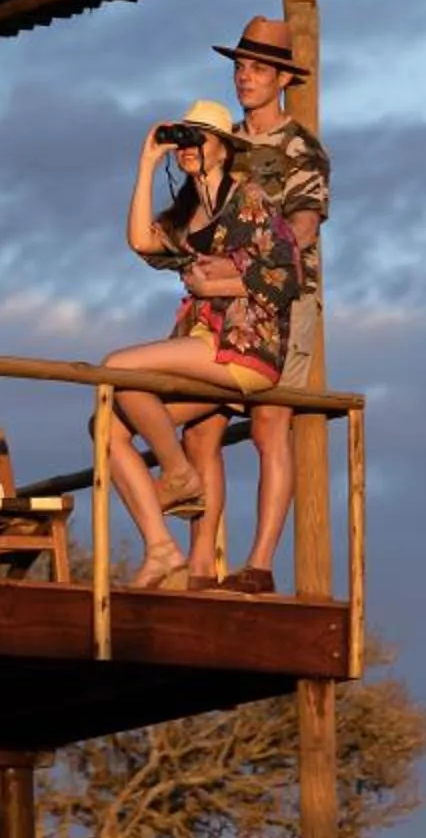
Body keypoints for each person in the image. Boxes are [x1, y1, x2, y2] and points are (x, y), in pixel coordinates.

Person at [100, 93, 305, 590]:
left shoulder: (248, 199)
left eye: (200, 139)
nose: (189, 148)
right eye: (183, 140)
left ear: (223, 148)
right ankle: (160, 547)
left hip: (244, 346)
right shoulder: (190, 212)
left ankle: (177, 475)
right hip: (203, 348)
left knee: (115, 368)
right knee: (106, 423)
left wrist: (216, 285)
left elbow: (289, 274)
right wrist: (148, 162)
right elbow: (140, 242)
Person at [205, 14, 328, 597]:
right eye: (239, 66)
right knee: (199, 423)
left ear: (282, 78)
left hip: (281, 302)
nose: (244, 77)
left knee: (268, 425)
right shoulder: (220, 142)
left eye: (256, 68)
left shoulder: (300, 148)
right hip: (220, 303)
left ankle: (257, 565)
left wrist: (245, 269)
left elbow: (302, 229)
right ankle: (201, 564)